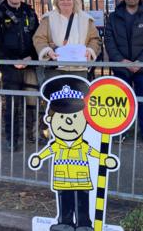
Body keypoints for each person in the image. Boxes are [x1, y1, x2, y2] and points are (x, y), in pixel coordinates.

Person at [29, 76, 118, 231]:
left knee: (82, 201)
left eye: (75, 117)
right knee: (65, 201)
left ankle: (84, 224)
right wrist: (39, 158)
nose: (68, 122)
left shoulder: (82, 145)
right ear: (50, 119)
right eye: (62, 117)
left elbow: (93, 153)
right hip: (62, 181)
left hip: (81, 180)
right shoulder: (58, 145)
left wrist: (105, 159)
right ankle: (65, 222)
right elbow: (49, 151)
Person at [0, 0, 39, 151]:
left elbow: (37, 38)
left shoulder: (29, 12)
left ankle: (32, 134)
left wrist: (31, 58)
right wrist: (12, 61)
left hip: (30, 63)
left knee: (33, 102)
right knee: (13, 104)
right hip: (10, 67)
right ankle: (12, 139)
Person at [104, 0, 143, 143]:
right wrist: (122, 61)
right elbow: (109, 41)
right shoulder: (114, 17)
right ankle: (121, 131)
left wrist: (140, 62)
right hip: (121, 68)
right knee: (121, 103)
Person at [33, 0, 101, 81]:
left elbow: (95, 39)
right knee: (56, 95)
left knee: (78, 95)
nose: (66, 2)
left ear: (73, 1)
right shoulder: (48, 19)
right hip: (55, 69)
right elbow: (39, 38)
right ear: (57, 2)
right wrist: (48, 51)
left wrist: (90, 50)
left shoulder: (85, 19)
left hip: (79, 69)